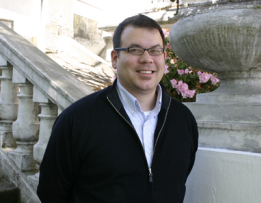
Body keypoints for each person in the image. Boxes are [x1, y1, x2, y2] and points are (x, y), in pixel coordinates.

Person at [37, 14, 198, 203]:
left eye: (155, 51)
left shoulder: (183, 120)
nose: (147, 59)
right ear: (115, 58)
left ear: (164, 57)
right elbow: (52, 193)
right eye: (135, 50)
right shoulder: (77, 120)